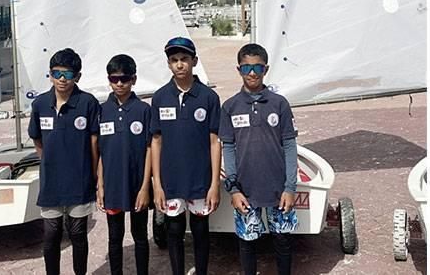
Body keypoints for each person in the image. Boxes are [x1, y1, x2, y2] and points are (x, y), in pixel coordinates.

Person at [219, 43, 299, 275]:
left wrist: (290, 187)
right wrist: (234, 189)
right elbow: (228, 148)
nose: (252, 73)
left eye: (258, 67)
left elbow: (289, 145)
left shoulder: (279, 103)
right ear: (239, 70)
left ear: (266, 69)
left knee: (282, 240)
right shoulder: (230, 106)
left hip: (278, 188)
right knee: (247, 243)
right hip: (245, 189)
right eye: (246, 68)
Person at [150, 36, 221, 275]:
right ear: (169, 64)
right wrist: (157, 185)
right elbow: (156, 141)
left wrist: (214, 185)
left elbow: (215, 142)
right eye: (174, 60)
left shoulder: (209, 97)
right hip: (171, 182)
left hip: (200, 180)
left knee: (200, 232)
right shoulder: (160, 97)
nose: (179, 64)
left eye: (184, 59)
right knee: (174, 231)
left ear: (194, 61)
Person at [27, 48, 100, 275]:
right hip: (52, 183)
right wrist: (48, 162)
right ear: (50, 75)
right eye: (56, 73)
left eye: (67, 74)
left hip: (80, 181)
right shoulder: (40, 104)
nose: (61, 79)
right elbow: (37, 138)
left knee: (78, 233)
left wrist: (94, 176)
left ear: (77, 76)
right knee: (51, 235)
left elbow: (94, 143)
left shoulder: (87, 103)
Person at [96, 54, 152, 275]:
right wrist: (100, 185)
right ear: (109, 80)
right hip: (112, 186)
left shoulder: (144, 110)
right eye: (114, 79)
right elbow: (100, 152)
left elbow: (150, 149)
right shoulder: (101, 111)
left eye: (124, 79)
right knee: (114, 237)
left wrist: (145, 187)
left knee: (140, 236)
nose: (119, 83)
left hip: (137, 185)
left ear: (133, 79)